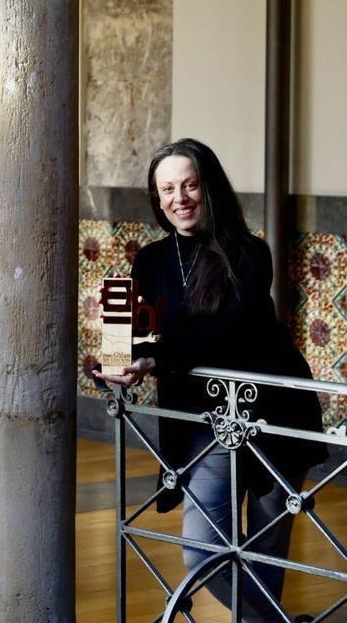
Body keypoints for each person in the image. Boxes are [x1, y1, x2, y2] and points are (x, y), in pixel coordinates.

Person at [96, 138, 327, 623]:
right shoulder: (151, 261)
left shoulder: (248, 252)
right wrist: (118, 359)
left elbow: (228, 334)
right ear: (157, 200)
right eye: (167, 189)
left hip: (273, 415)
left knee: (263, 561)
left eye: (190, 184)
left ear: (210, 187)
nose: (179, 197)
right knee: (203, 553)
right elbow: (145, 335)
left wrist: (156, 357)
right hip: (206, 425)